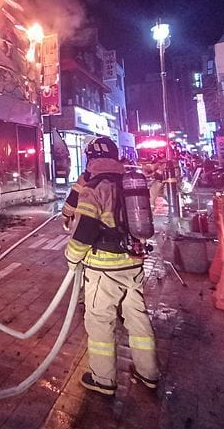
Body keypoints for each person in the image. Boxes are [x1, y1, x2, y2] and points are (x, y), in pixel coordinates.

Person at [61, 136, 159, 397]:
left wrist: (71, 258)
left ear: (90, 158)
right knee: (137, 316)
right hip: (134, 263)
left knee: (100, 322)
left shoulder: (94, 188)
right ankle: (148, 372)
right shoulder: (128, 182)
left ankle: (103, 379)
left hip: (103, 270)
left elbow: (84, 232)